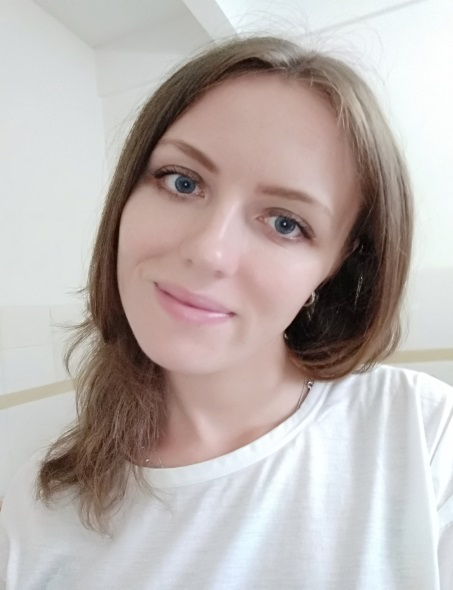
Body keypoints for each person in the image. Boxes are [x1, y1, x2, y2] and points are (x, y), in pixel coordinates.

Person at [0, 35, 452, 590]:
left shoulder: (426, 438)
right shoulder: (40, 506)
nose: (208, 251)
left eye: (285, 223)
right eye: (182, 182)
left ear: (338, 264)